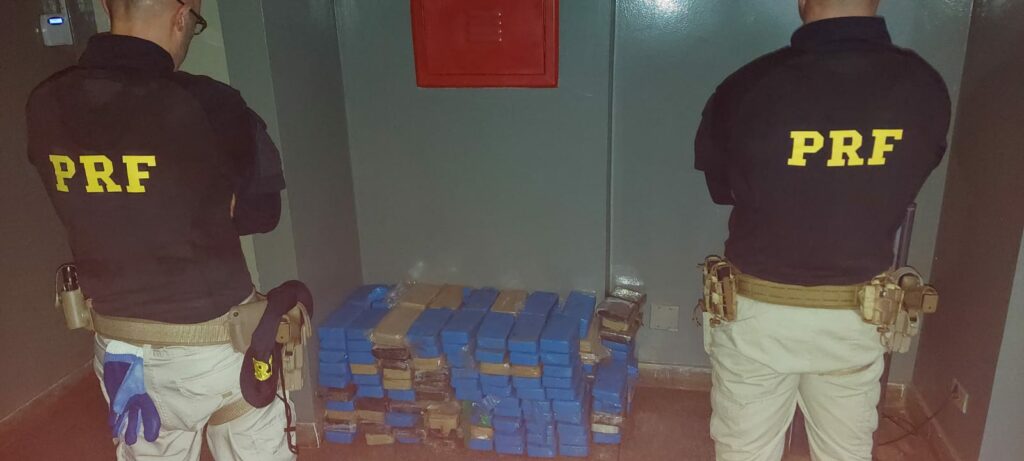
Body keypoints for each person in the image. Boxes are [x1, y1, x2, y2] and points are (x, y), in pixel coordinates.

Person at [25, 0, 294, 459]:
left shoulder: (44, 102)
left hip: (119, 347)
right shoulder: (211, 103)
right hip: (214, 347)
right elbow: (263, 213)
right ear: (181, 15)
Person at [694, 0, 950, 460]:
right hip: (857, 317)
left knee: (745, 452)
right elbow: (909, 180)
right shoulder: (925, 88)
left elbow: (722, 190)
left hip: (759, 317)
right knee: (845, 453)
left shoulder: (747, 87)